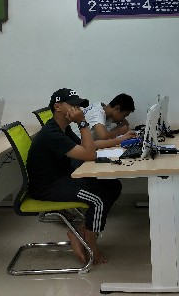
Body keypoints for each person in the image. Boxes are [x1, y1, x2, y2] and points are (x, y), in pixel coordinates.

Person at [26, 88, 122, 265]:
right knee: (98, 199)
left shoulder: (63, 128)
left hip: (63, 177)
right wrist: (82, 123)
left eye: (78, 105)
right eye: (73, 105)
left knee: (113, 185)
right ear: (57, 107)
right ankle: (91, 243)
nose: (78, 109)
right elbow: (89, 154)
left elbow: (88, 146)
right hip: (47, 187)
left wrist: (120, 141)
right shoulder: (52, 133)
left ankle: (77, 233)